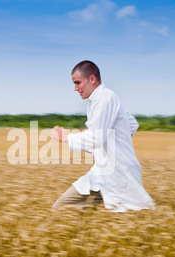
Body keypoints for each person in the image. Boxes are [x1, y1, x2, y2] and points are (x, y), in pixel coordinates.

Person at [50, 60, 155, 212]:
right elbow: (132, 124)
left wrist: (66, 137)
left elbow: (96, 138)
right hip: (102, 173)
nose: (75, 88)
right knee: (63, 208)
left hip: (119, 174)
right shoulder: (101, 99)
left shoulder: (104, 98)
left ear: (92, 79)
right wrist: (103, 149)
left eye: (78, 83)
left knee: (130, 218)